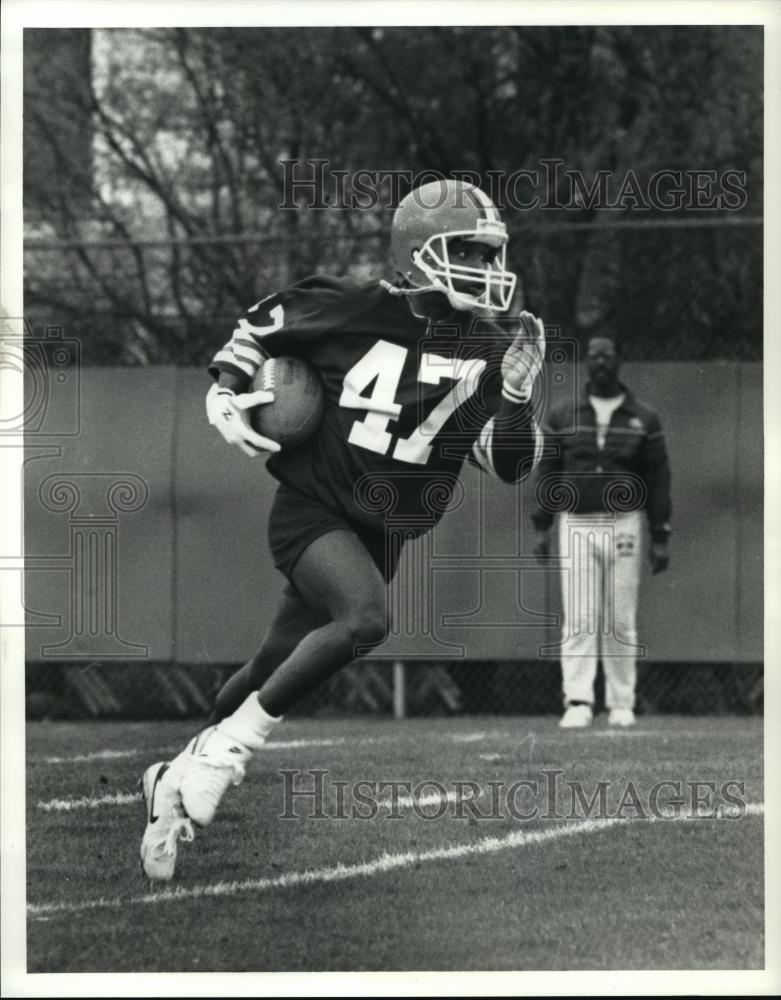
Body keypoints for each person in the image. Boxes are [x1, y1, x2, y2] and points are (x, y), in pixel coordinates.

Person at [140, 179, 547, 880]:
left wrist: (514, 394)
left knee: (266, 670)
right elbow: (258, 327)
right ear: (419, 254)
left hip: (382, 532)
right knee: (364, 620)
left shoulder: (486, 349)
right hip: (315, 509)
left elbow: (509, 464)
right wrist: (225, 388)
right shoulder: (357, 306)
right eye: (470, 253)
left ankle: (170, 775)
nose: (486, 271)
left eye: (490, 256)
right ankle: (223, 759)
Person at [531, 336, 671, 729]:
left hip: (624, 524)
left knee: (620, 618)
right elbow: (548, 473)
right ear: (586, 364)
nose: (601, 363)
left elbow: (658, 480)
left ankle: (621, 702)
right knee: (579, 618)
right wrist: (541, 525)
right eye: (594, 357)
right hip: (576, 523)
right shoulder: (563, 415)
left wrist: (660, 535)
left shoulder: (643, 417)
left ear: (619, 361)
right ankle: (578, 701)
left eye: (608, 356)